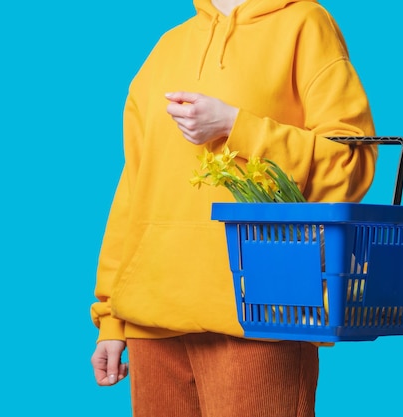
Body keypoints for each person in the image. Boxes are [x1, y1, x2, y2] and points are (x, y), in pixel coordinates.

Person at [90, 0, 377, 416]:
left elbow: (352, 160)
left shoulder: (305, 24)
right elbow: (135, 188)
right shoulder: (166, 48)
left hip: (260, 313)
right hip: (151, 326)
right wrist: (112, 318)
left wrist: (235, 126)